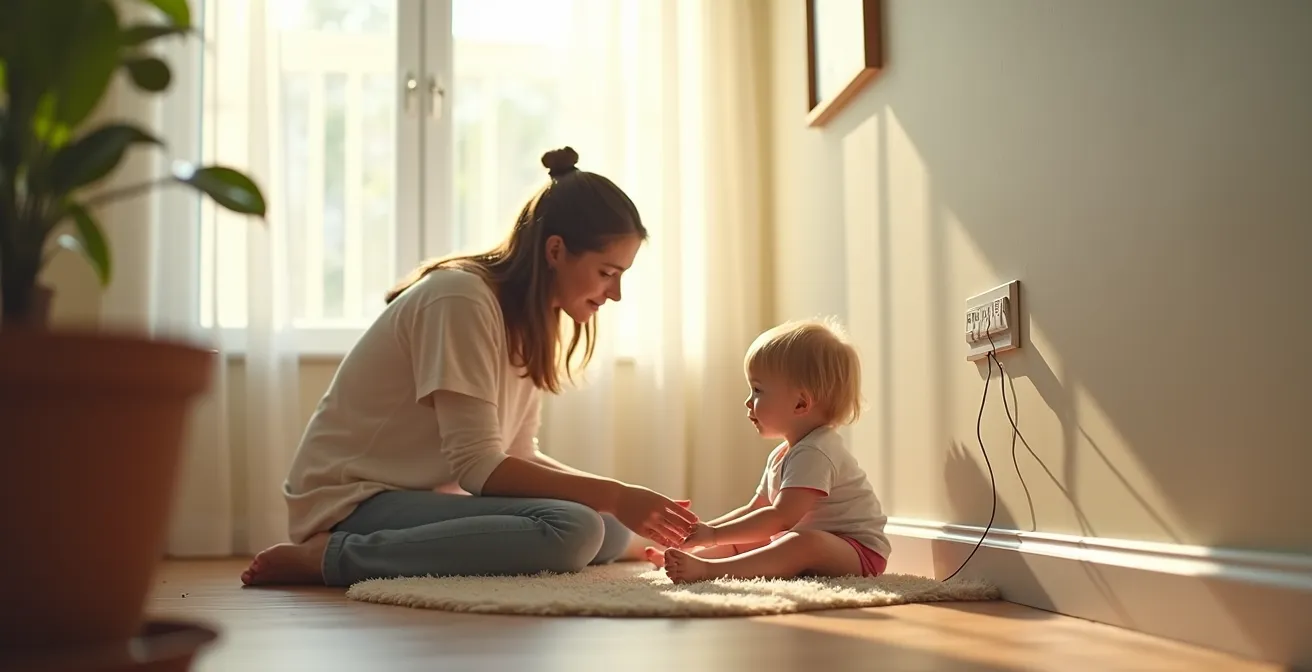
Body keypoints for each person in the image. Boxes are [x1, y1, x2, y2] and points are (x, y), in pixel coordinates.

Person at [241, 147, 698, 587]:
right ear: (556, 251)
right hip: (353, 499)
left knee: (609, 528)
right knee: (575, 528)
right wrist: (617, 493)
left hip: (414, 497)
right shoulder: (461, 299)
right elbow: (478, 468)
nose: (615, 294)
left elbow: (515, 453)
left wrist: (626, 507)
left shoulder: (530, 320)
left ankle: (381, 548)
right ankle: (333, 555)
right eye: (607, 272)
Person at [648, 318, 891, 584]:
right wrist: (701, 534)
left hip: (859, 553)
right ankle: (696, 558)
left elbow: (781, 519)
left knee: (799, 542)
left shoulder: (816, 452)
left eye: (757, 390)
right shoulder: (782, 454)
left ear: (800, 403)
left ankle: (709, 571)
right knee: (753, 536)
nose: (748, 401)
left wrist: (713, 534)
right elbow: (757, 509)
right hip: (821, 544)